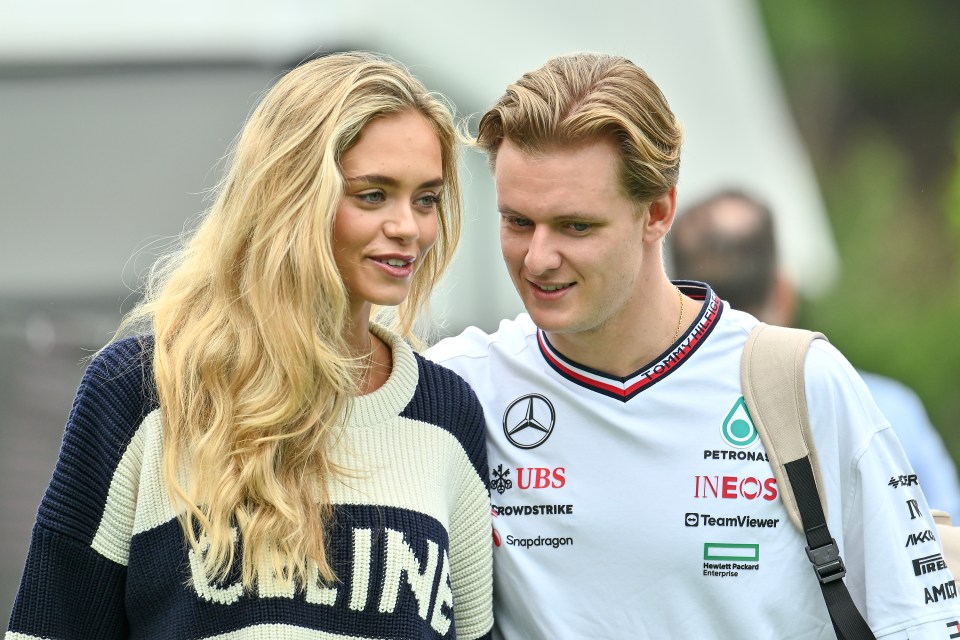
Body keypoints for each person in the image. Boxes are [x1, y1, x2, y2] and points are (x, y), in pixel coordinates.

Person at [426, 52, 960, 639]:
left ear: (657, 212)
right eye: (518, 222)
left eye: (577, 226)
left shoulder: (800, 382)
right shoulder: (457, 388)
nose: (539, 258)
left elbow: (918, 624)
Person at [5, 52, 493, 640]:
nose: (408, 228)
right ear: (291, 196)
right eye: (372, 195)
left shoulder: (447, 414)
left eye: (426, 198)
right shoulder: (142, 390)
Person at [669, 188, 960, 518]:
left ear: (678, 300)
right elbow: (945, 537)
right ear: (783, 293)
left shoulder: (652, 416)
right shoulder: (885, 410)